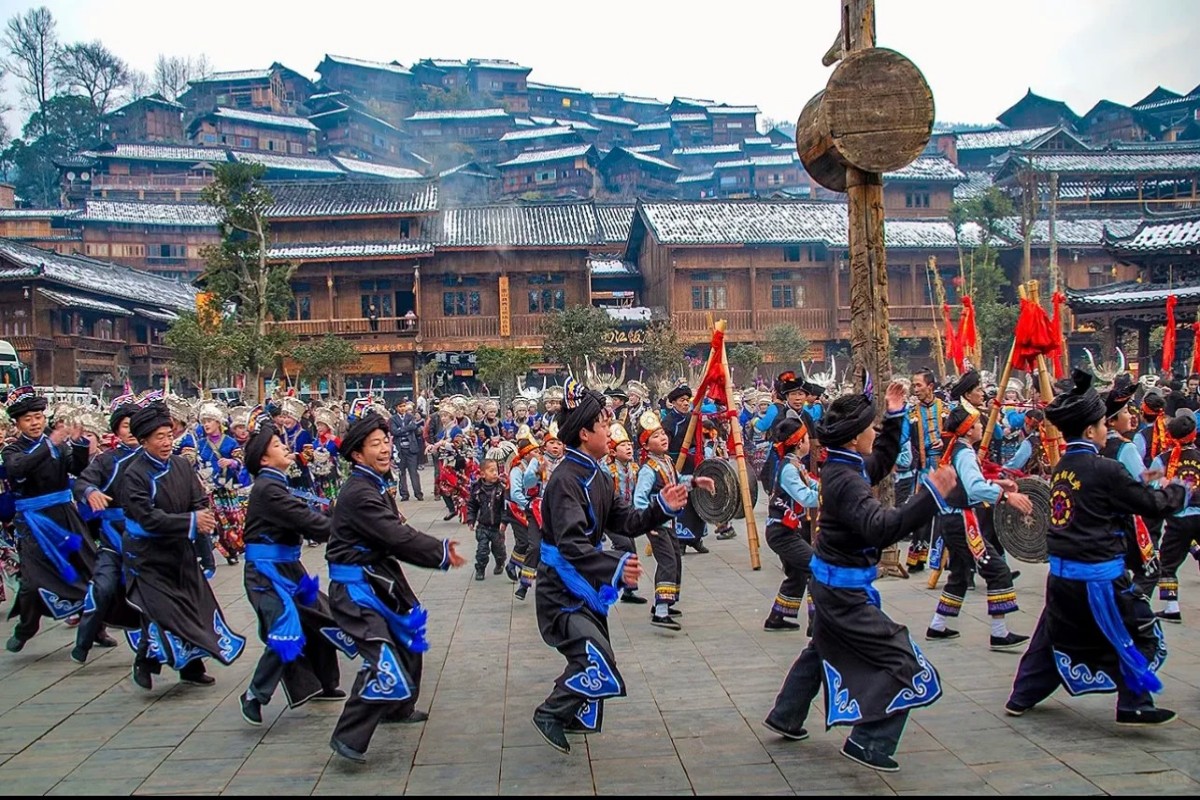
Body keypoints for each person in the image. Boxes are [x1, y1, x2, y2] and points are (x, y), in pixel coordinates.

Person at [762, 377, 957, 772]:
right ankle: (869, 741)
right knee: (904, 660)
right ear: (854, 438)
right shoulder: (846, 481)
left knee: (821, 648)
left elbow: (881, 461)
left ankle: (786, 714)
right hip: (844, 595)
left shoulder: (844, 466)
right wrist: (931, 496)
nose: (874, 433)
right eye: (871, 428)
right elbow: (882, 528)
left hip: (834, 586)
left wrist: (896, 412)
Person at [1006, 369, 1191, 726]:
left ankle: (1022, 695)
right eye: (1105, 424)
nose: (1109, 428)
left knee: (1051, 638)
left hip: (1062, 576)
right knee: (1133, 631)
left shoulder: (1063, 467)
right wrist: (1179, 490)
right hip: (1097, 579)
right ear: (1091, 431)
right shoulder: (1105, 467)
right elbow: (1148, 502)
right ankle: (1135, 700)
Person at [530, 380, 691, 753]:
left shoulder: (598, 474)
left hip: (582, 587)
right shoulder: (566, 479)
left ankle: (568, 714)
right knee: (595, 658)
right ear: (585, 433)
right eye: (603, 425)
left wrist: (661, 507)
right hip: (562, 590)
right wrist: (615, 566)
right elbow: (571, 543)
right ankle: (550, 713)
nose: (609, 430)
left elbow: (626, 521)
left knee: (596, 655)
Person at [326, 413, 466, 763]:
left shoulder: (372, 483)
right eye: (376, 444)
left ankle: (399, 708)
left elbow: (393, 533)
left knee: (408, 635)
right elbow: (396, 536)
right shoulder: (360, 492)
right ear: (357, 455)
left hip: (378, 578)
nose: (386, 448)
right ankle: (348, 737)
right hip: (356, 589)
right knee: (382, 659)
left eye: (386, 441)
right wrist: (440, 552)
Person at [119, 403, 246, 690]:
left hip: (180, 550)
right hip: (147, 554)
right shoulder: (134, 474)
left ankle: (190, 666)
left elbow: (198, 498)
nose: (166, 443)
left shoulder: (179, 465)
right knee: (162, 611)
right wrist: (190, 521)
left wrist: (202, 518)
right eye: (158, 438)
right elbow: (147, 517)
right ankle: (145, 659)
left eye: (168, 435)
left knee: (192, 607)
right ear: (143, 441)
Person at [238, 419, 347, 726]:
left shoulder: (277, 483)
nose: (285, 447)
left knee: (319, 617)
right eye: (276, 445)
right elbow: (307, 521)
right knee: (286, 631)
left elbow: (312, 511)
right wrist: (346, 526)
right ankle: (255, 695)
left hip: (288, 567)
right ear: (263, 459)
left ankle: (325, 683)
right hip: (265, 574)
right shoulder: (268, 489)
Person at [924, 402, 1031, 649]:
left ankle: (937, 625)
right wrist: (1006, 496)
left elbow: (969, 483)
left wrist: (998, 484)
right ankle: (999, 632)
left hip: (951, 519)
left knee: (960, 574)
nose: (982, 426)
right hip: (962, 521)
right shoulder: (964, 452)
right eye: (979, 423)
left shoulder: (957, 449)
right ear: (969, 429)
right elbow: (973, 487)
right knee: (997, 570)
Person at [2, 387, 97, 652]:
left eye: (38, 417)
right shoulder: (14, 449)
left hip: (65, 515)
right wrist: (50, 444)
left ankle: (96, 627)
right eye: (28, 419)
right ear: (18, 423)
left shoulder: (56, 444)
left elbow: (77, 469)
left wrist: (79, 445)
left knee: (89, 569)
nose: (34, 423)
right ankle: (26, 628)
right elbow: (18, 468)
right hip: (33, 521)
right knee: (32, 582)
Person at [70, 399, 143, 663]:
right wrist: (91, 492)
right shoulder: (106, 460)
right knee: (102, 587)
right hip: (113, 538)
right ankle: (84, 640)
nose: (132, 430)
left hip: (147, 539)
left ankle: (155, 656)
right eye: (126, 426)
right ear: (116, 430)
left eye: (137, 425)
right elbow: (83, 482)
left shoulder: (157, 459)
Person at [763, 417, 820, 632]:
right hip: (781, 532)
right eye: (806, 438)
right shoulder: (788, 469)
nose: (809, 442)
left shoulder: (796, 465)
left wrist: (831, 487)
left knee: (797, 573)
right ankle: (817, 622)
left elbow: (814, 485)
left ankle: (777, 618)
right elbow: (805, 496)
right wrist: (828, 496)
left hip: (787, 530)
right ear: (799, 443)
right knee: (816, 567)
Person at [1148, 412, 1200, 623]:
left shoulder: (1163, 460)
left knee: (1168, 564)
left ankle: (1172, 606)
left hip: (1178, 520)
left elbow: (1147, 481)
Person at [905, 370, 947, 572]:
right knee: (921, 510)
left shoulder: (946, 409)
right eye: (914, 385)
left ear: (930, 387)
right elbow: (902, 437)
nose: (915, 389)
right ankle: (917, 559)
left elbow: (958, 433)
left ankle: (944, 559)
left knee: (946, 513)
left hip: (944, 468)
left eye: (918, 385)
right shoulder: (911, 413)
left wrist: (945, 440)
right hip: (923, 469)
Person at [604, 422, 646, 605]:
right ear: (612, 451)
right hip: (609, 517)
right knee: (625, 546)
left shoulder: (634, 469)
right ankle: (607, 584)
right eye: (622, 445)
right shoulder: (608, 470)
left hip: (626, 515)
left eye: (629, 444)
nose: (628, 447)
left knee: (630, 549)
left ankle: (629, 590)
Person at [663, 385, 709, 553]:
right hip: (678, 464)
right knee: (681, 500)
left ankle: (696, 538)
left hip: (694, 464)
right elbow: (664, 445)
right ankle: (680, 540)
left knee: (697, 500)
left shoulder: (693, 417)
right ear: (673, 403)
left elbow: (703, 436)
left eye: (687, 400)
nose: (685, 403)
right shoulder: (668, 421)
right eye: (681, 401)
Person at [466, 456, 507, 581]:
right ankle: (480, 569)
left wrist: (504, 521)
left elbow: (505, 507)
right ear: (483, 474)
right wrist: (471, 519)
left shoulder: (501, 488)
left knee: (499, 550)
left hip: (497, 527)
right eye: (491, 471)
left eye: (496, 470)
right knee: (482, 550)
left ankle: (500, 562)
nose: (495, 473)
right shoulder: (477, 489)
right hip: (483, 526)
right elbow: (472, 505)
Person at [391, 401, 424, 502]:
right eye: (400, 406)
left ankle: (418, 493)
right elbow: (394, 431)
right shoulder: (393, 419)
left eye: (404, 406)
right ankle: (404, 494)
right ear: (396, 408)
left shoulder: (410, 417)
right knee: (401, 473)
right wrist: (407, 428)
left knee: (413, 472)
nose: (402, 408)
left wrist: (402, 429)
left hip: (411, 448)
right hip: (400, 449)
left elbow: (413, 427)